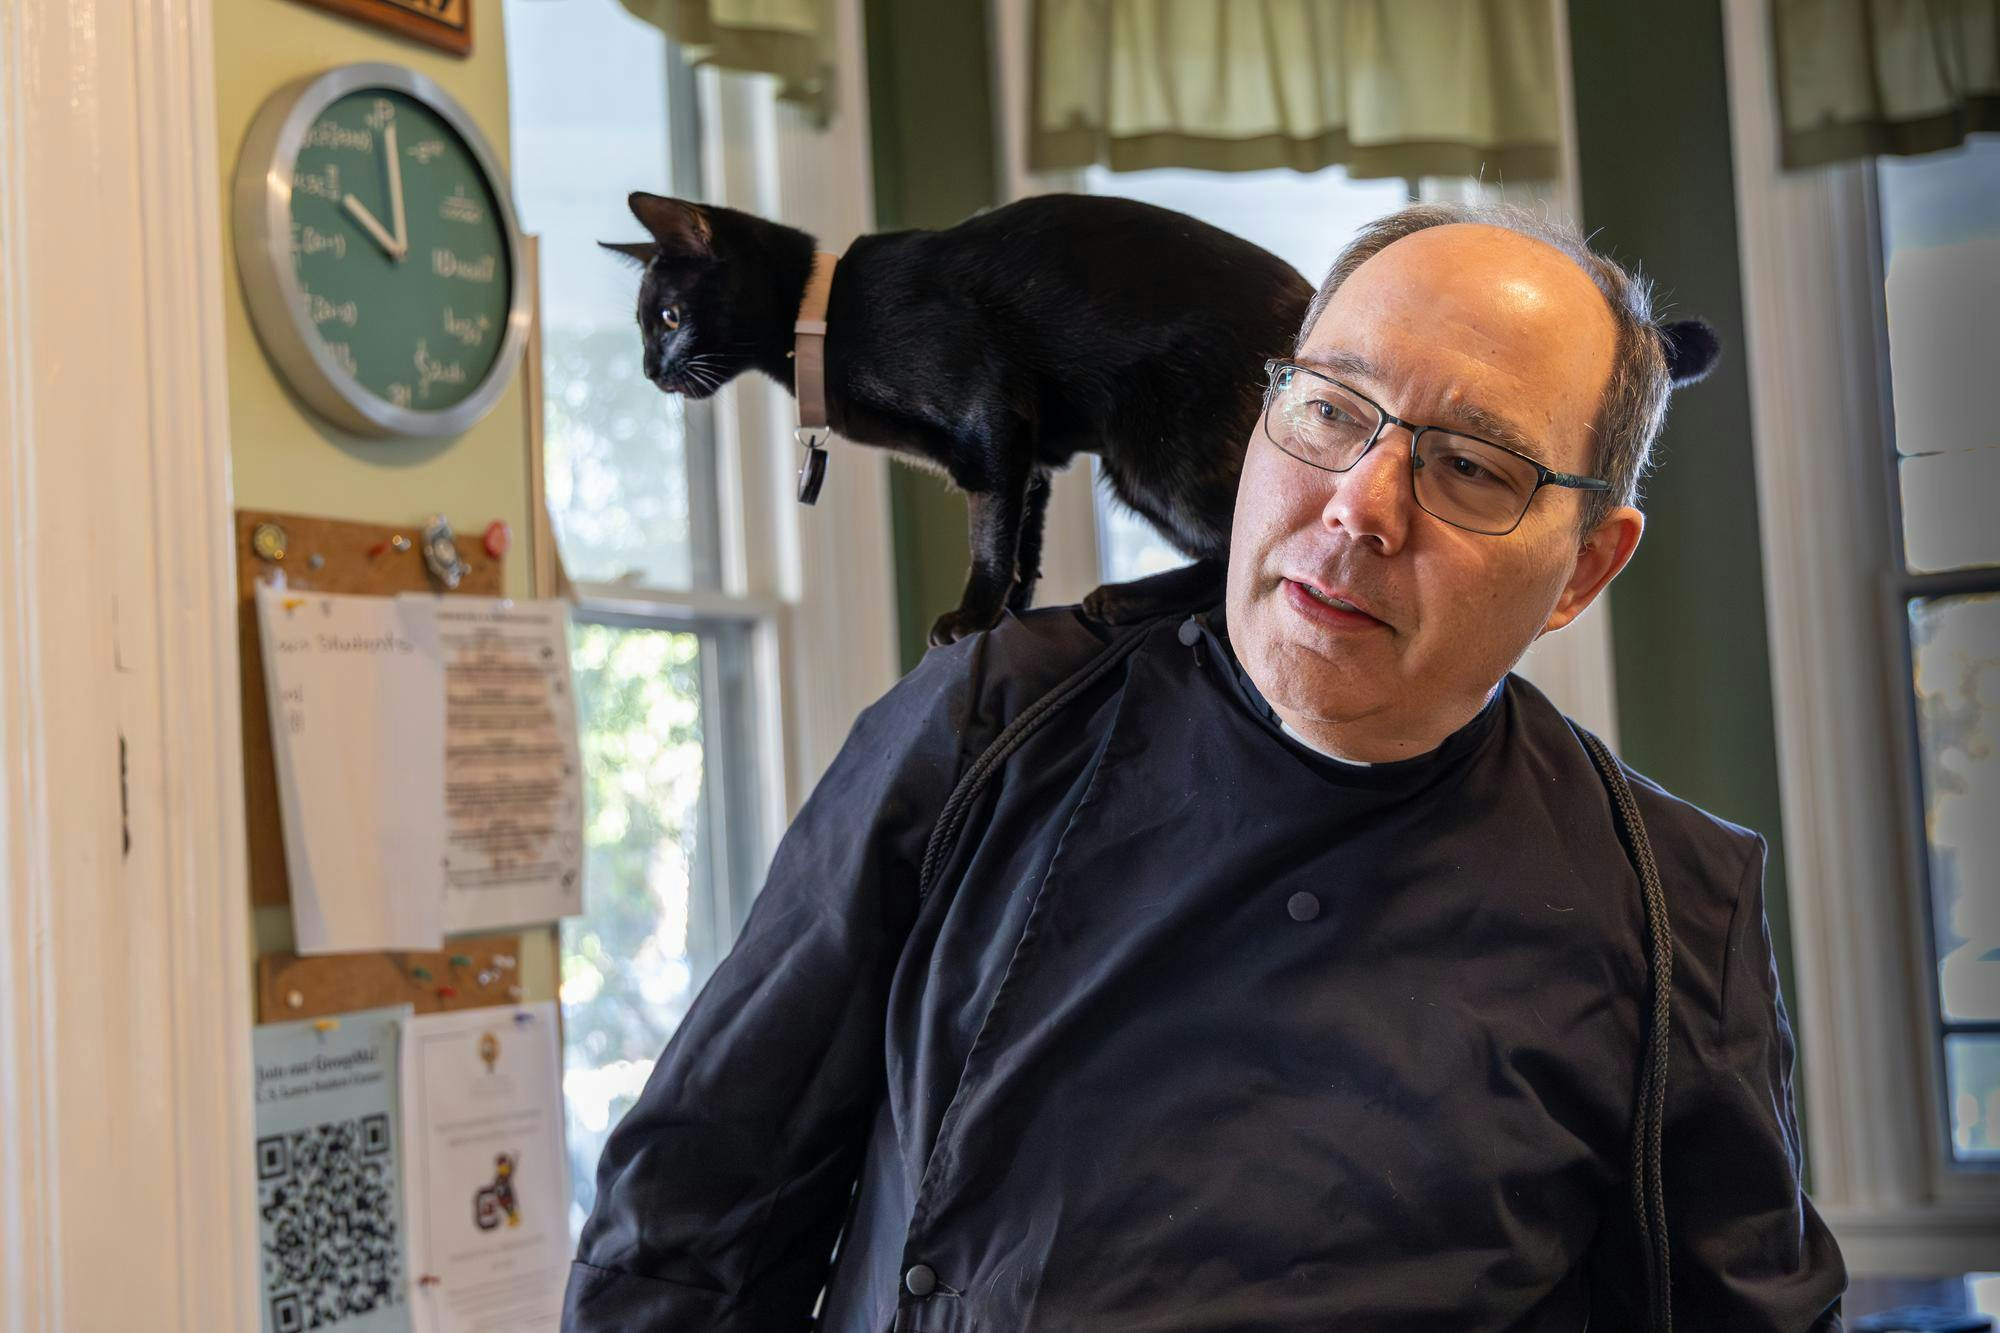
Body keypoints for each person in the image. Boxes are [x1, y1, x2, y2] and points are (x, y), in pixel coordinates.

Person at [561, 202, 1847, 1332]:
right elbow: (693, 1215)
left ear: (1583, 567)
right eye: (1330, 409)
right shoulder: (978, 729)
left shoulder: (1671, 907)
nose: (1358, 504)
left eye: (1467, 465)